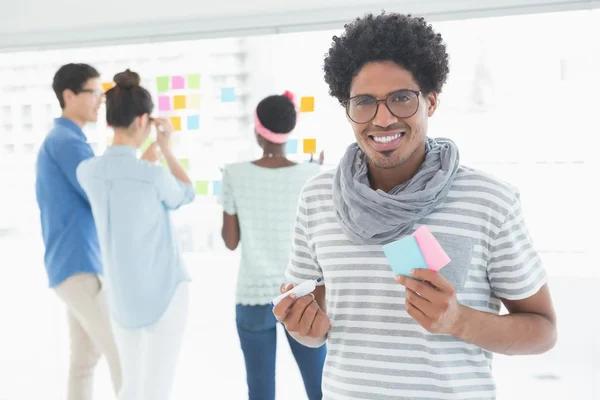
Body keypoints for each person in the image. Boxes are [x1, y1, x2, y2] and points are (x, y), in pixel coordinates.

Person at [273, 13, 557, 400]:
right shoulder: (318, 198)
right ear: (347, 110)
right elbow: (319, 324)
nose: (383, 118)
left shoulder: (490, 200)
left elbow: (543, 331)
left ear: (432, 101)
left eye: (402, 98)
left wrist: (459, 321)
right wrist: (305, 329)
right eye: (364, 102)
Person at [76, 69, 194, 400]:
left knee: (132, 389)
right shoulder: (151, 176)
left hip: (122, 298)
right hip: (166, 292)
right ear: (143, 121)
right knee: (157, 389)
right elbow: (186, 193)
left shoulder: (87, 173)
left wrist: (147, 158)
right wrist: (166, 148)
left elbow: (120, 176)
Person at [220, 91, 326, 400]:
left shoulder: (233, 174)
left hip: (252, 296)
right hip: (302, 295)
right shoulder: (311, 173)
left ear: (257, 131)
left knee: (260, 389)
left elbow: (230, 242)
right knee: (320, 387)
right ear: (289, 131)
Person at [35, 63, 122, 400]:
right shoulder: (67, 142)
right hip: (79, 265)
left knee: (85, 361)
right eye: (93, 92)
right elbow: (99, 194)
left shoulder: (64, 140)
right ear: (69, 95)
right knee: (121, 354)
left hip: (71, 265)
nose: (100, 100)